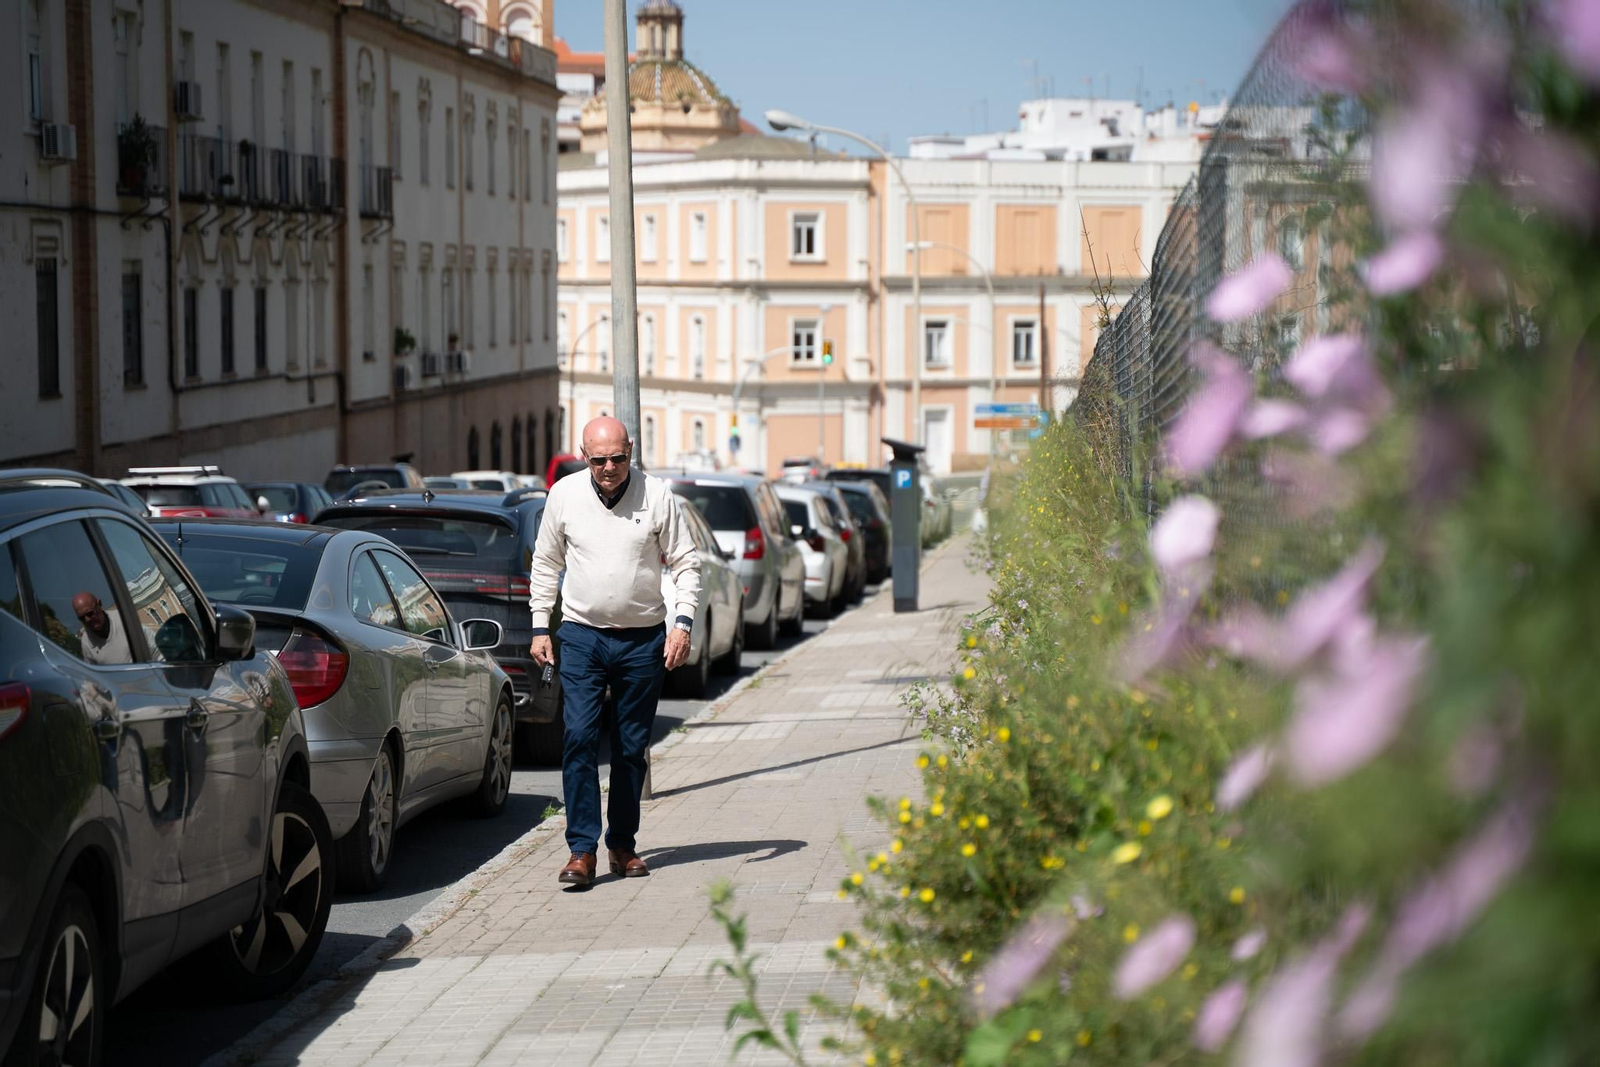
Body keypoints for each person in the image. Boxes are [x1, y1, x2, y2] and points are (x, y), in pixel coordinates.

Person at [527, 416, 700, 887]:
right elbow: (546, 562)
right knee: (579, 737)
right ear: (584, 456)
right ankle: (581, 850)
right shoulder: (564, 494)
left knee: (629, 748)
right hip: (581, 636)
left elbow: (686, 562)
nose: (609, 468)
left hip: (642, 639)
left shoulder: (656, 495)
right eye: (599, 460)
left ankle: (622, 845)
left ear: (631, 451)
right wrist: (541, 626)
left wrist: (682, 623)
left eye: (618, 458)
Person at [73, 592, 134, 665]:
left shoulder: (122, 618)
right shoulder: (87, 642)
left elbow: (147, 642)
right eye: (82, 618)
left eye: (90, 613)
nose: (87, 620)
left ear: (99, 604)